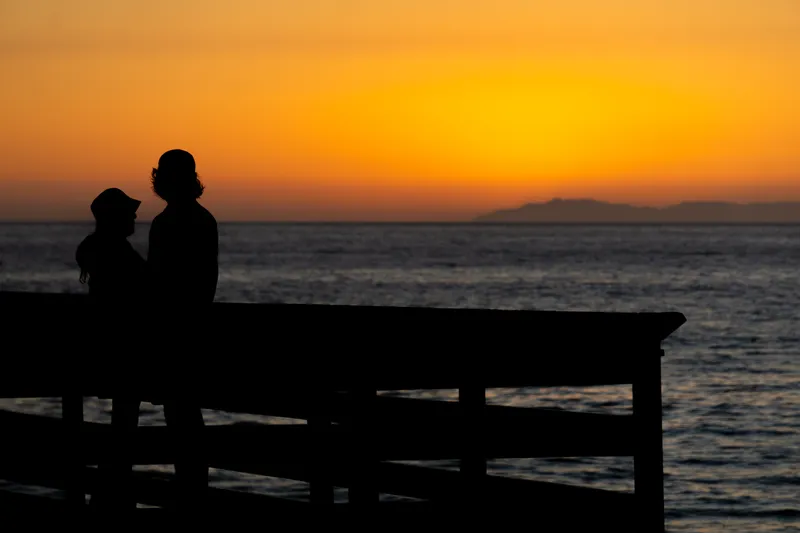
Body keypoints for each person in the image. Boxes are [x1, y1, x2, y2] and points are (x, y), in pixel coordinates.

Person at [147, 149, 218, 507]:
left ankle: (190, 494)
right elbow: (206, 282)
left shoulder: (168, 223)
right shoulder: (203, 219)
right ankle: (193, 492)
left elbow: (158, 281)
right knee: (184, 414)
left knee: (181, 415)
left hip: (175, 333)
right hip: (190, 329)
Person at [75, 187, 145, 510]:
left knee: (123, 421)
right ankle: (114, 496)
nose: (134, 216)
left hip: (110, 347)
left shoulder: (96, 249)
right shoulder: (116, 252)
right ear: (115, 217)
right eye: (129, 212)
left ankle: (110, 494)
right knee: (124, 423)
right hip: (123, 350)